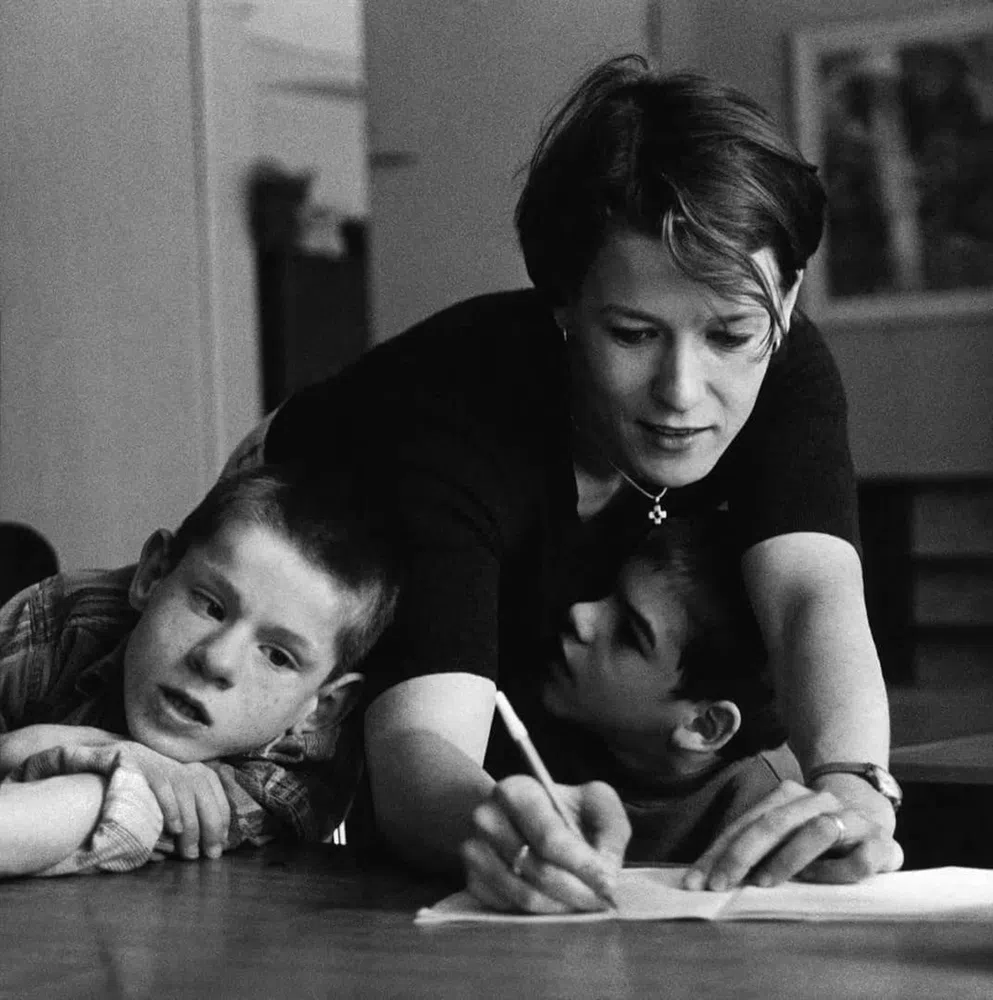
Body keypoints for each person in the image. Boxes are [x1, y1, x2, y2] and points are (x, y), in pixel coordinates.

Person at [226, 54, 902, 912]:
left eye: (729, 336)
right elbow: (416, 755)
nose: (681, 392)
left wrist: (853, 786)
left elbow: (810, 593)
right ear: (562, 305)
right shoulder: (452, 417)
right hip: (286, 566)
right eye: (632, 334)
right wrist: (490, 825)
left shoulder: (786, 356)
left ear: (788, 292)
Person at [0, 466, 398, 877]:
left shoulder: (300, 771)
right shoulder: (62, 619)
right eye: (211, 607)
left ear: (323, 707)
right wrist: (81, 746)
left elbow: (53, 821)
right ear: (153, 574)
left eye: (278, 657)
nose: (216, 661)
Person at [538, 517, 803, 868]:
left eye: (629, 634)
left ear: (704, 726)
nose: (580, 614)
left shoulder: (766, 805)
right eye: (606, 592)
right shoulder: (544, 728)